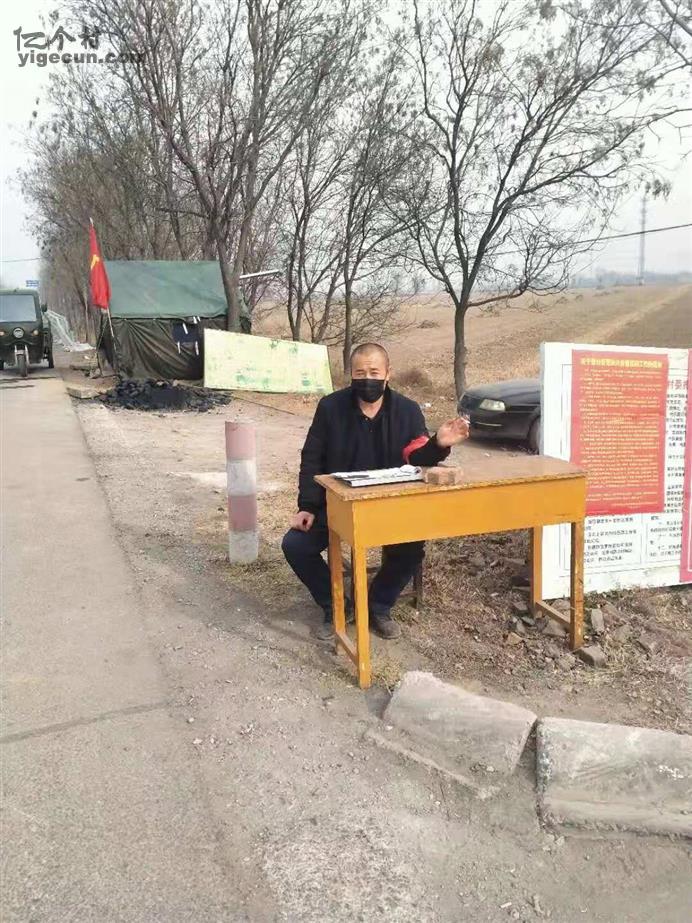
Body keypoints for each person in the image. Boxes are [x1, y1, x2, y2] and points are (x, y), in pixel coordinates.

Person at [282, 342, 469, 641]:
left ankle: (378, 606)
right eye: (360, 373)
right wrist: (307, 505)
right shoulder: (330, 408)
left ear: (387, 374)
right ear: (351, 375)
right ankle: (337, 605)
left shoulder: (407, 410)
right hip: (336, 505)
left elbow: (415, 455)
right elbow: (312, 458)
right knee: (295, 546)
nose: (367, 379)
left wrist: (438, 444)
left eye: (373, 372)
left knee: (411, 549)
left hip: (390, 506)